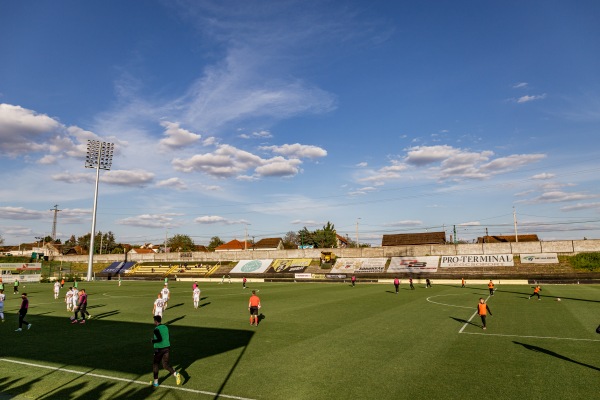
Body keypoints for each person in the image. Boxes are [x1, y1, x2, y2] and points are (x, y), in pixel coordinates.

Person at [151, 315, 181, 387]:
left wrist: (153, 340)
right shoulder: (165, 327)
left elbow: (159, 339)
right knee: (165, 365)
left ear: (155, 321)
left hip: (159, 349)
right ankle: (175, 374)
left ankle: (156, 382)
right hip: (167, 348)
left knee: (155, 364)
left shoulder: (156, 329)